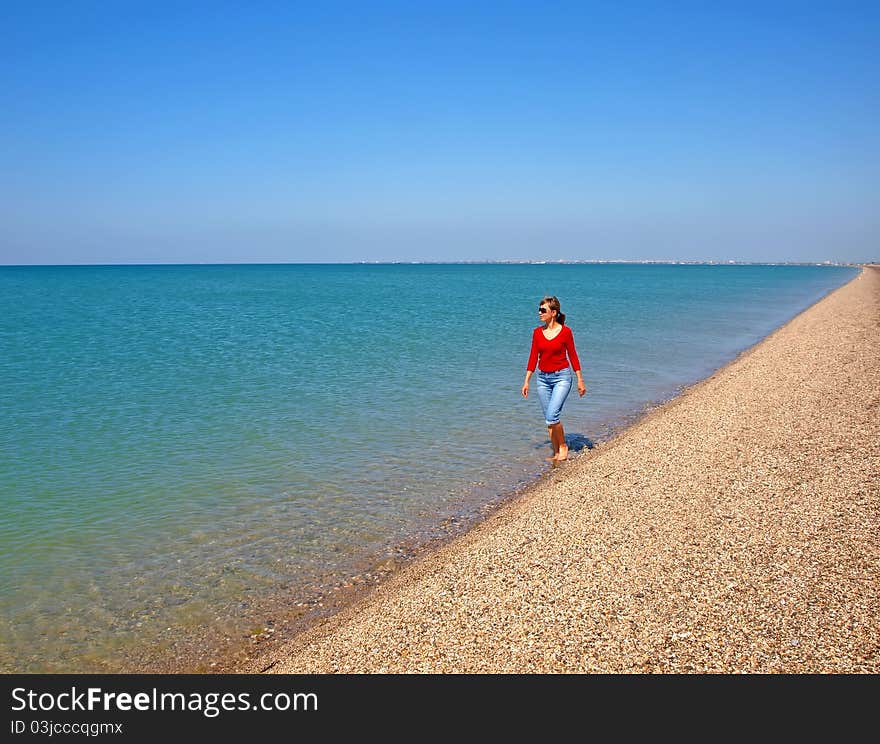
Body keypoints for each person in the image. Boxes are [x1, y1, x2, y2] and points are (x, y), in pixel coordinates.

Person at [521, 296, 586, 461]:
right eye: (539, 309)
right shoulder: (537, 333)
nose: (539, 313)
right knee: (549, 420)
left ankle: (563, 446)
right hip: (542, 379)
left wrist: (580, 380)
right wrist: (526, 380)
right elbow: (532, 357)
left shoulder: (566, 332)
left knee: (552, 416)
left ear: (554, 312)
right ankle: (556, 452)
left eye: (543, 310)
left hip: (562, 378)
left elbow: (573, 356)